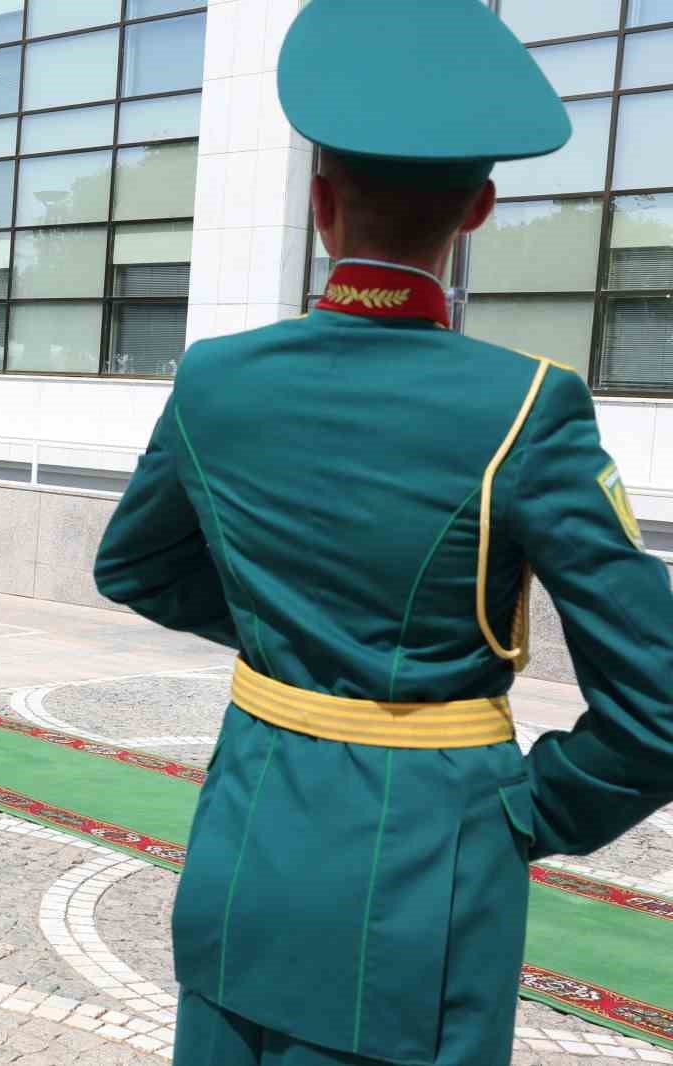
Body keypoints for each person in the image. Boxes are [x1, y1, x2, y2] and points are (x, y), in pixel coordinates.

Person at [93, 4, 673, 1063]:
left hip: (246, 856)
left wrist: (290, 635)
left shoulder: (217, 378)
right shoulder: (526, 407)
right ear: (481, 208)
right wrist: (523, 811)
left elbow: (131, 564)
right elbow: (660, 705)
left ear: (321, 205)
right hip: (425, 891)